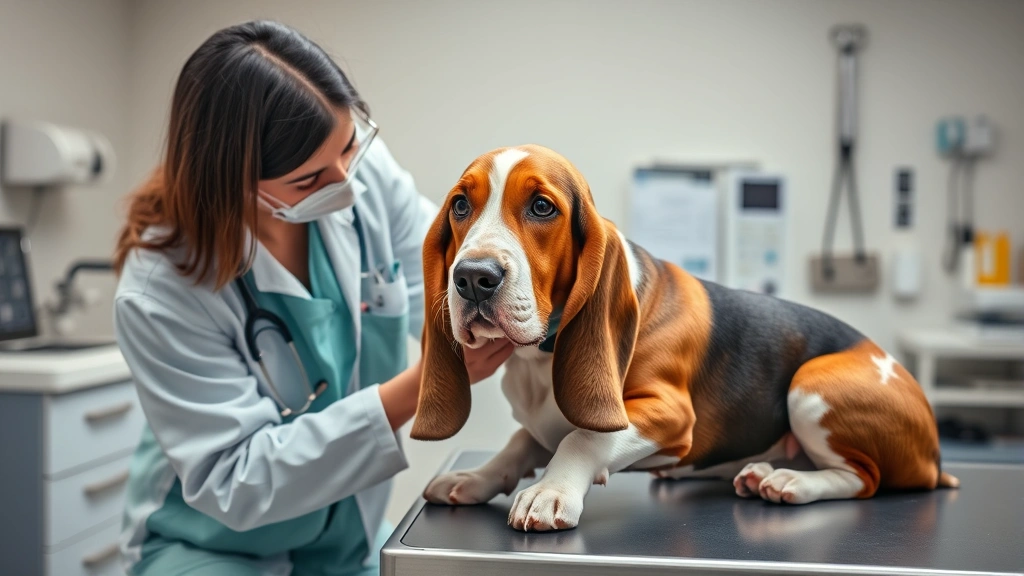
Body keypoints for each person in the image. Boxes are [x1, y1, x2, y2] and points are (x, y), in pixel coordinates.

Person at [112, 20, 513, 576]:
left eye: (351, 146)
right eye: (308, 181)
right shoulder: (161, 288)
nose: (347, 183)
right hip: (208, 545)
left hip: (342, 539)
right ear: (232, 180)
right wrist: (425, 385)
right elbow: (235, 478)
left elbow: (444, 280)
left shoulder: (361, 175)